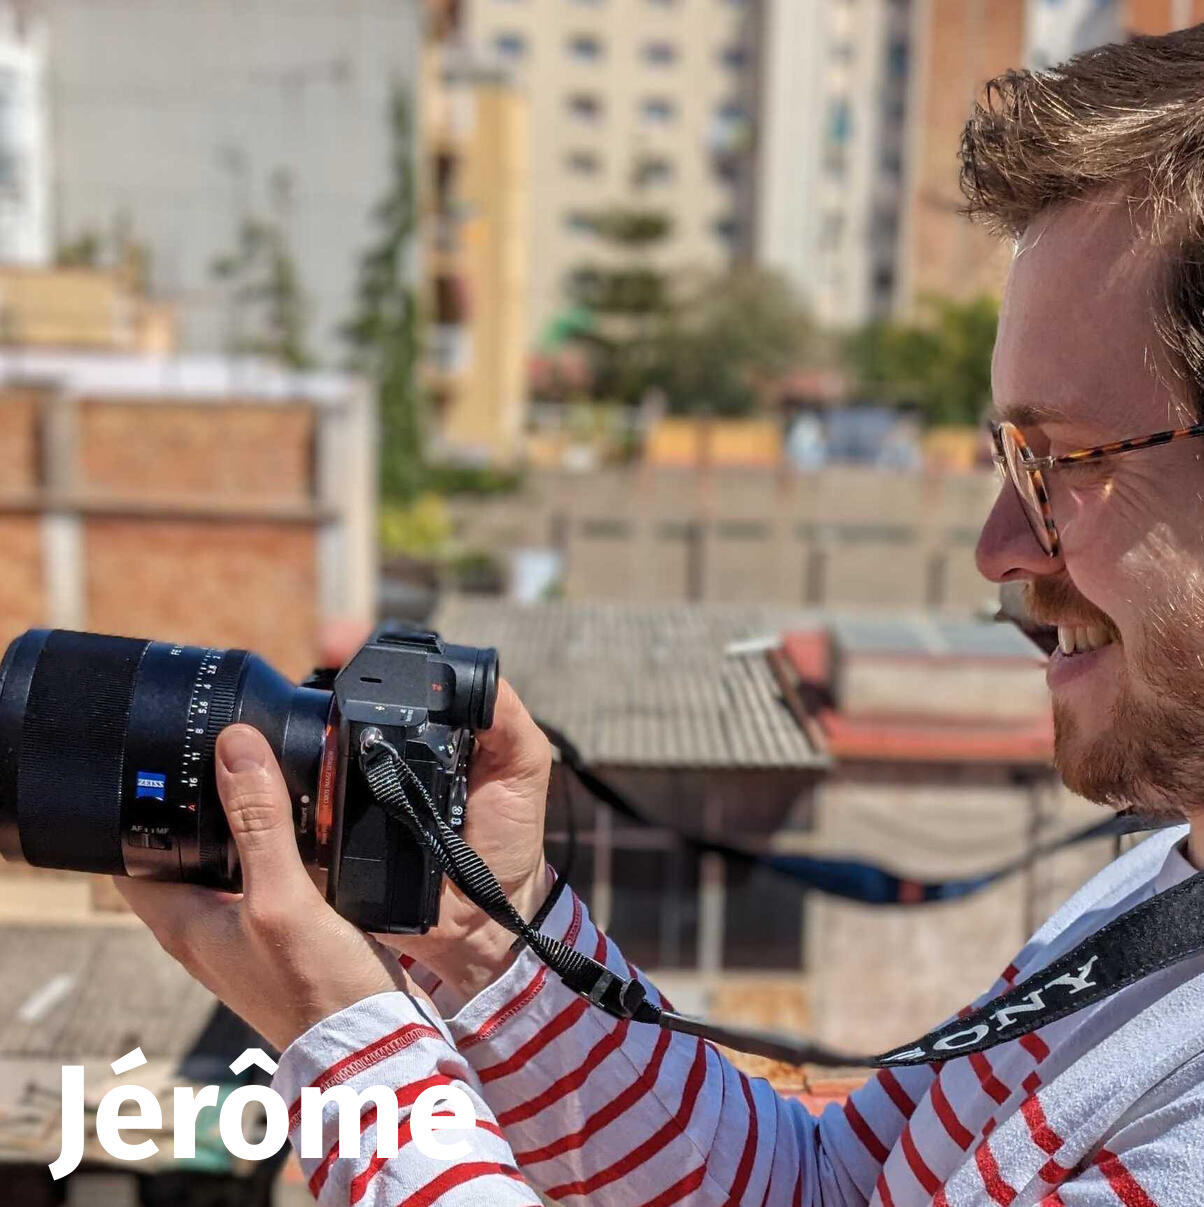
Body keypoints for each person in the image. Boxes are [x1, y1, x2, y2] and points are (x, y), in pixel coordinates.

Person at [121, 27, 1204, 1206]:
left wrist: (356, 1058)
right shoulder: (1163, 882)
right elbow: (823, 1185)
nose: (1000, 545)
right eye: (1006, 456)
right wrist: (493, 940)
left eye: (1060, 460)